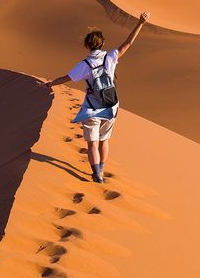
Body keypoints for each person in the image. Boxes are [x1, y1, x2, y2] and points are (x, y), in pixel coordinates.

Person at [44, 12, 150, 182]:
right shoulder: (110, 57)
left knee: (92, 143)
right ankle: (101, 168)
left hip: (92, 108)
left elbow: (67, 78)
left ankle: (96, 174)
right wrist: (141, 23)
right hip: (111, 105)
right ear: (102, 43)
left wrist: (50, 84)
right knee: (104, 140)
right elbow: (128, 43)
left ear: (87, 45)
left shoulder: (85, 65)